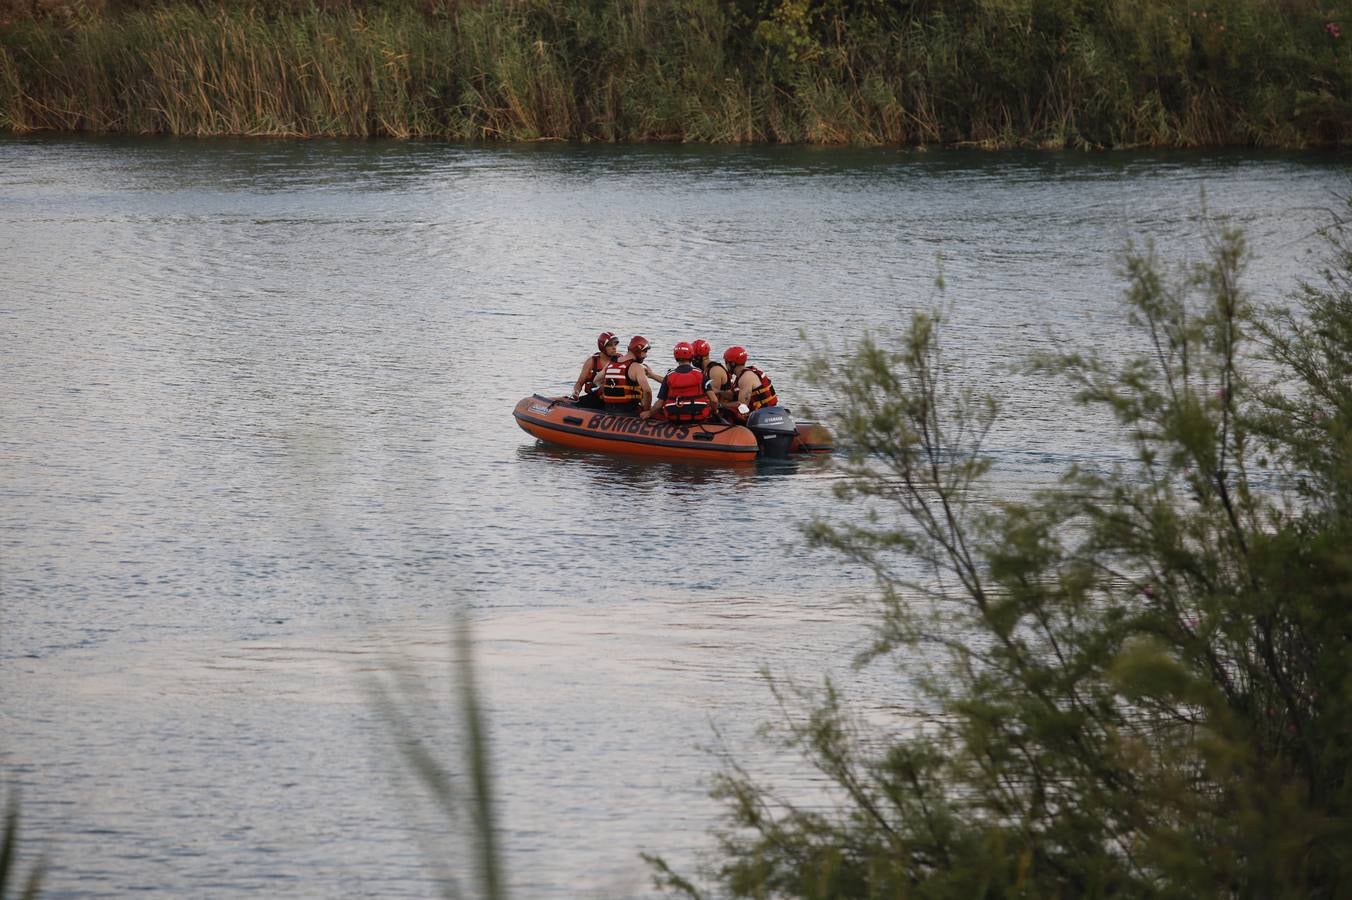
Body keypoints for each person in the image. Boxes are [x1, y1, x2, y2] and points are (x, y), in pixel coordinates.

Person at [641, 342, 718, 422]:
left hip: (675, 419)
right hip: (698, 418)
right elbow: (714, 400)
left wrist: (649, 413)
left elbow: (659, 404)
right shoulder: (701, 375)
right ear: (692, 356)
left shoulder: (669, 376)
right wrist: (715, 411)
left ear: (675, 357)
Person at [595, 335, 655, 414]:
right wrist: (647, 411)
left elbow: (596, 380)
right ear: (638, 350)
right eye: (645, 351)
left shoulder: (611, 363)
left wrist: (611, 389)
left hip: (609, 409)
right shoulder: (637, 367)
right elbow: (647, 391)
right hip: (629, 411)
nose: (646, 355)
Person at [720, 345, 778, 424]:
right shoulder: (743, 374)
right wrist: (717, 391)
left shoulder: (745, 378)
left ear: (732, 363)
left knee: (725, 413)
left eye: (726, 362)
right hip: (765, 412)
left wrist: (720, 405)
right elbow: (734, 395)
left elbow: (742, 405)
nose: (725, 365)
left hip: (763, 415)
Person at [571, 331, 620, 408]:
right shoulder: (592, 361)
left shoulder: (621, 360)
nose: (614, 347)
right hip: (594, 398)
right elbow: (580, 383)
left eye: (615, 344)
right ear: (602, 347)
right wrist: (576, 392)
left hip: (614, 399)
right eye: (610, 345)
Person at [690, 338, 731, 406]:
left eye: (693, 357)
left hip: (722, 408)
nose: (692, 360)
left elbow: (712, 397)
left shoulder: (714, 370)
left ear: (700, 357)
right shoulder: (704, 369)